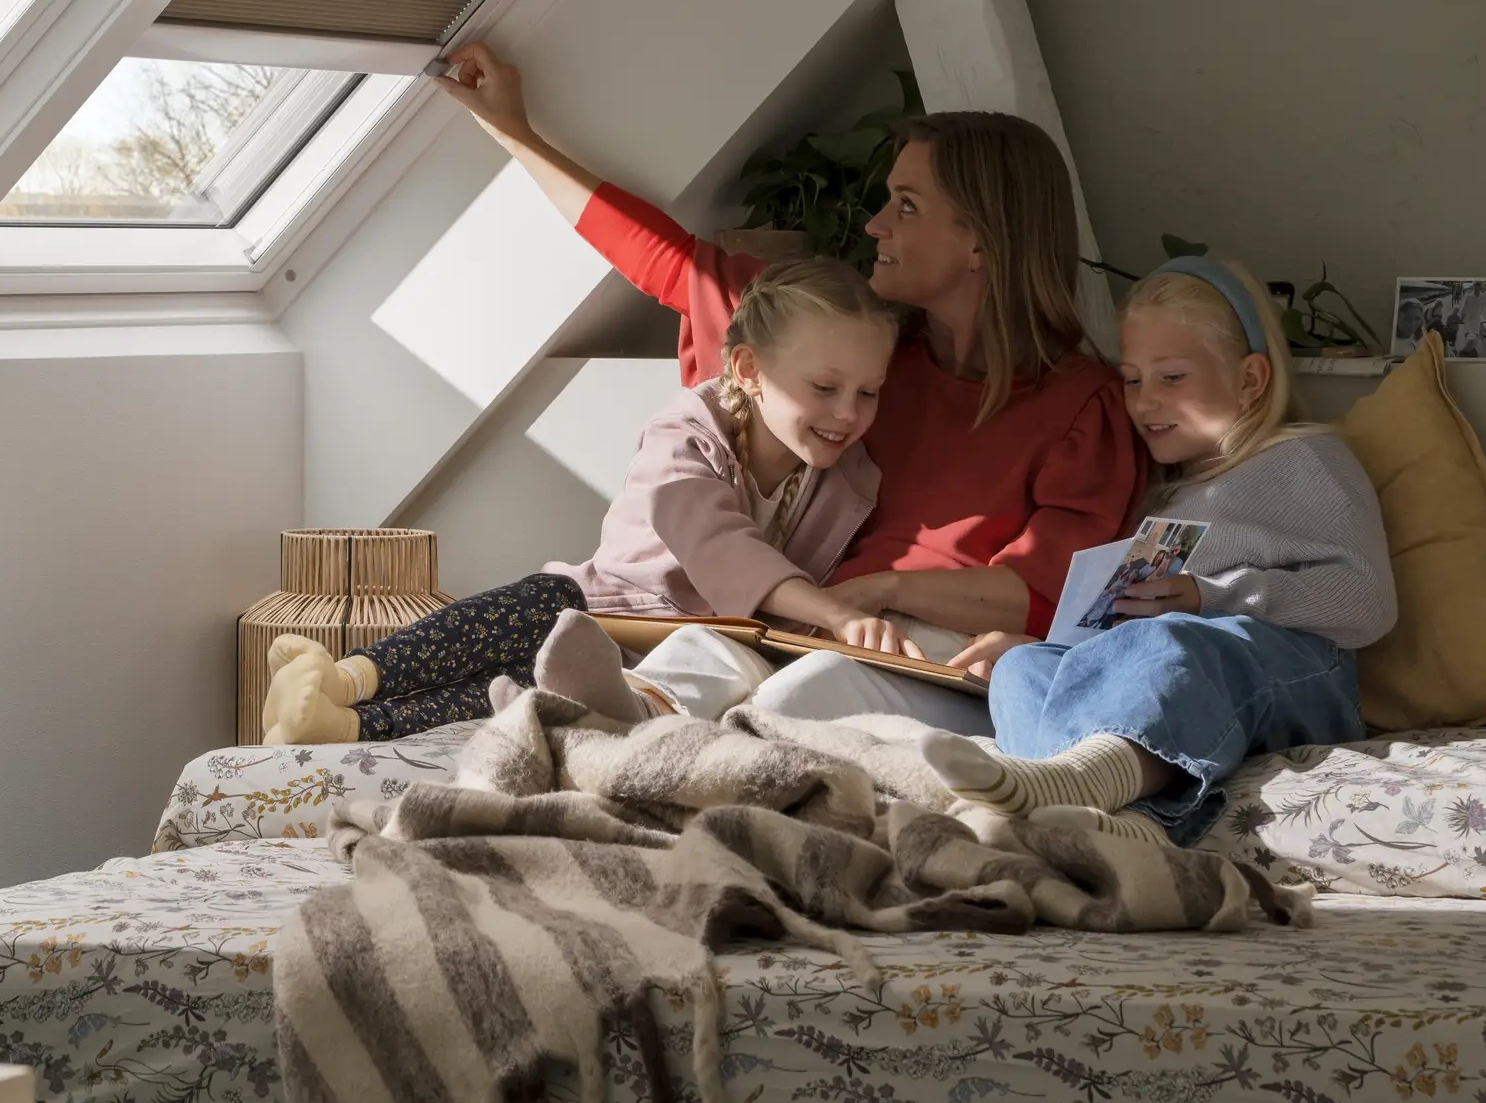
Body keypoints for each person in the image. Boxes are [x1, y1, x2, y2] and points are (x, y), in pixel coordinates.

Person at [426, 44, 1147, 734]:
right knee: (696, 655)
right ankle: (608, 732)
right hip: (811, 624)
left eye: (905, 205)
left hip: (942, 659)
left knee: (802, 694)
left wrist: (881, 591)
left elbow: (1046, 589)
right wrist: (511, 129)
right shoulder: (862, 357)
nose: (874, 225)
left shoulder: (1084, 407)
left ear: (980, 242)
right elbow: (672, 263)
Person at [257, 258, 907, 744]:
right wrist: (833, 611)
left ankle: (343, 726)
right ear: (747, 369)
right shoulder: (685, 431)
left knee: (529, 699)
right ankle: (345, 677)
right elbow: (717, 546)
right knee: (544, 603)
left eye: (870, 393)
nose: (848, 414)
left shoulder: (850, 480)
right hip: (604, 609)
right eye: (825, 386)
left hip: (658, 660)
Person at [917, 258, 1394, 848]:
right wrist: (1055, 648)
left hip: (1293, 678)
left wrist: (1209, 596)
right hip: (1170, 667)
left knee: (1168, 638)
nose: (1143, 402)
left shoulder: (1306, 459)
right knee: (1021, 669)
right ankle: (1113, 823)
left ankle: (1081, 780)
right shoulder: (1161, 494)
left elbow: (1367, 604)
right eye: (1132, 379)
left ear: (1250, 379)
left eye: (1171, 378)